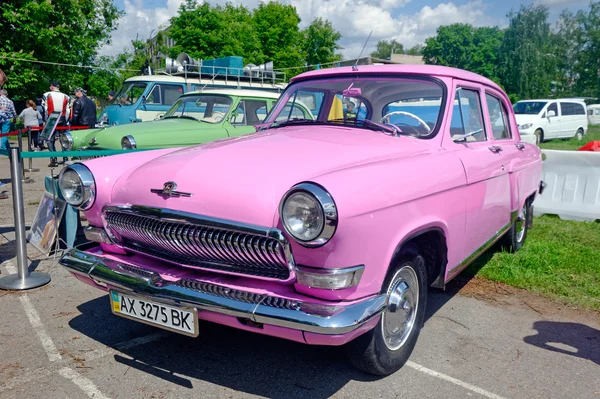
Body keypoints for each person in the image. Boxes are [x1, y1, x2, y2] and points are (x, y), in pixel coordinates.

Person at [42, 81, 70, 166]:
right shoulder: (66, 96)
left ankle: (54, 159)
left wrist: (45, 120)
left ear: (52, 86)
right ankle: (65, 158)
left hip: (52, 118)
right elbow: (68, 110)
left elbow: (45, 109)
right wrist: (66, 120)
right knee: (64, 138)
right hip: (63, 118)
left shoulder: (47, 95)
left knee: (50, 139)